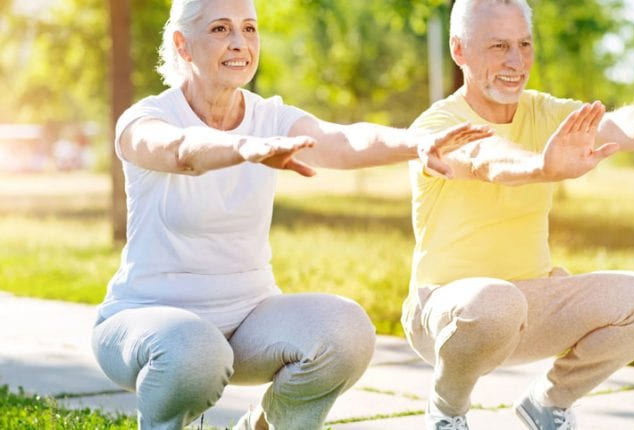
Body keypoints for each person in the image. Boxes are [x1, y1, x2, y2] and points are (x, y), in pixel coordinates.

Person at [90, 1, 492, 429]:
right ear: (182, 44)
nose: (240, 43)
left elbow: (342, 140)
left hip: (246, 321)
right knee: (196, 351)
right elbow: (180, 150)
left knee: (346, 331)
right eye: (221, 29)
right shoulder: (146, 119)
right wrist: (243, 147)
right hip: (148, 324)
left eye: (249, 29)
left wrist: (417, 143)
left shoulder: (270, 117)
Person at [400, 1, 634, 429]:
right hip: (448, 315)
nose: (516, 61)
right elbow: (486, 157)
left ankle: (547, 403)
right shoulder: (436, 125)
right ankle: (447, 412)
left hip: (532, 303)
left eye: (524, 43)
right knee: (494, 302)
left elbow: (618, 123)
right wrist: (541, 166)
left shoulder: (543, 111)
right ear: (459, 50)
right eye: (499, 45)